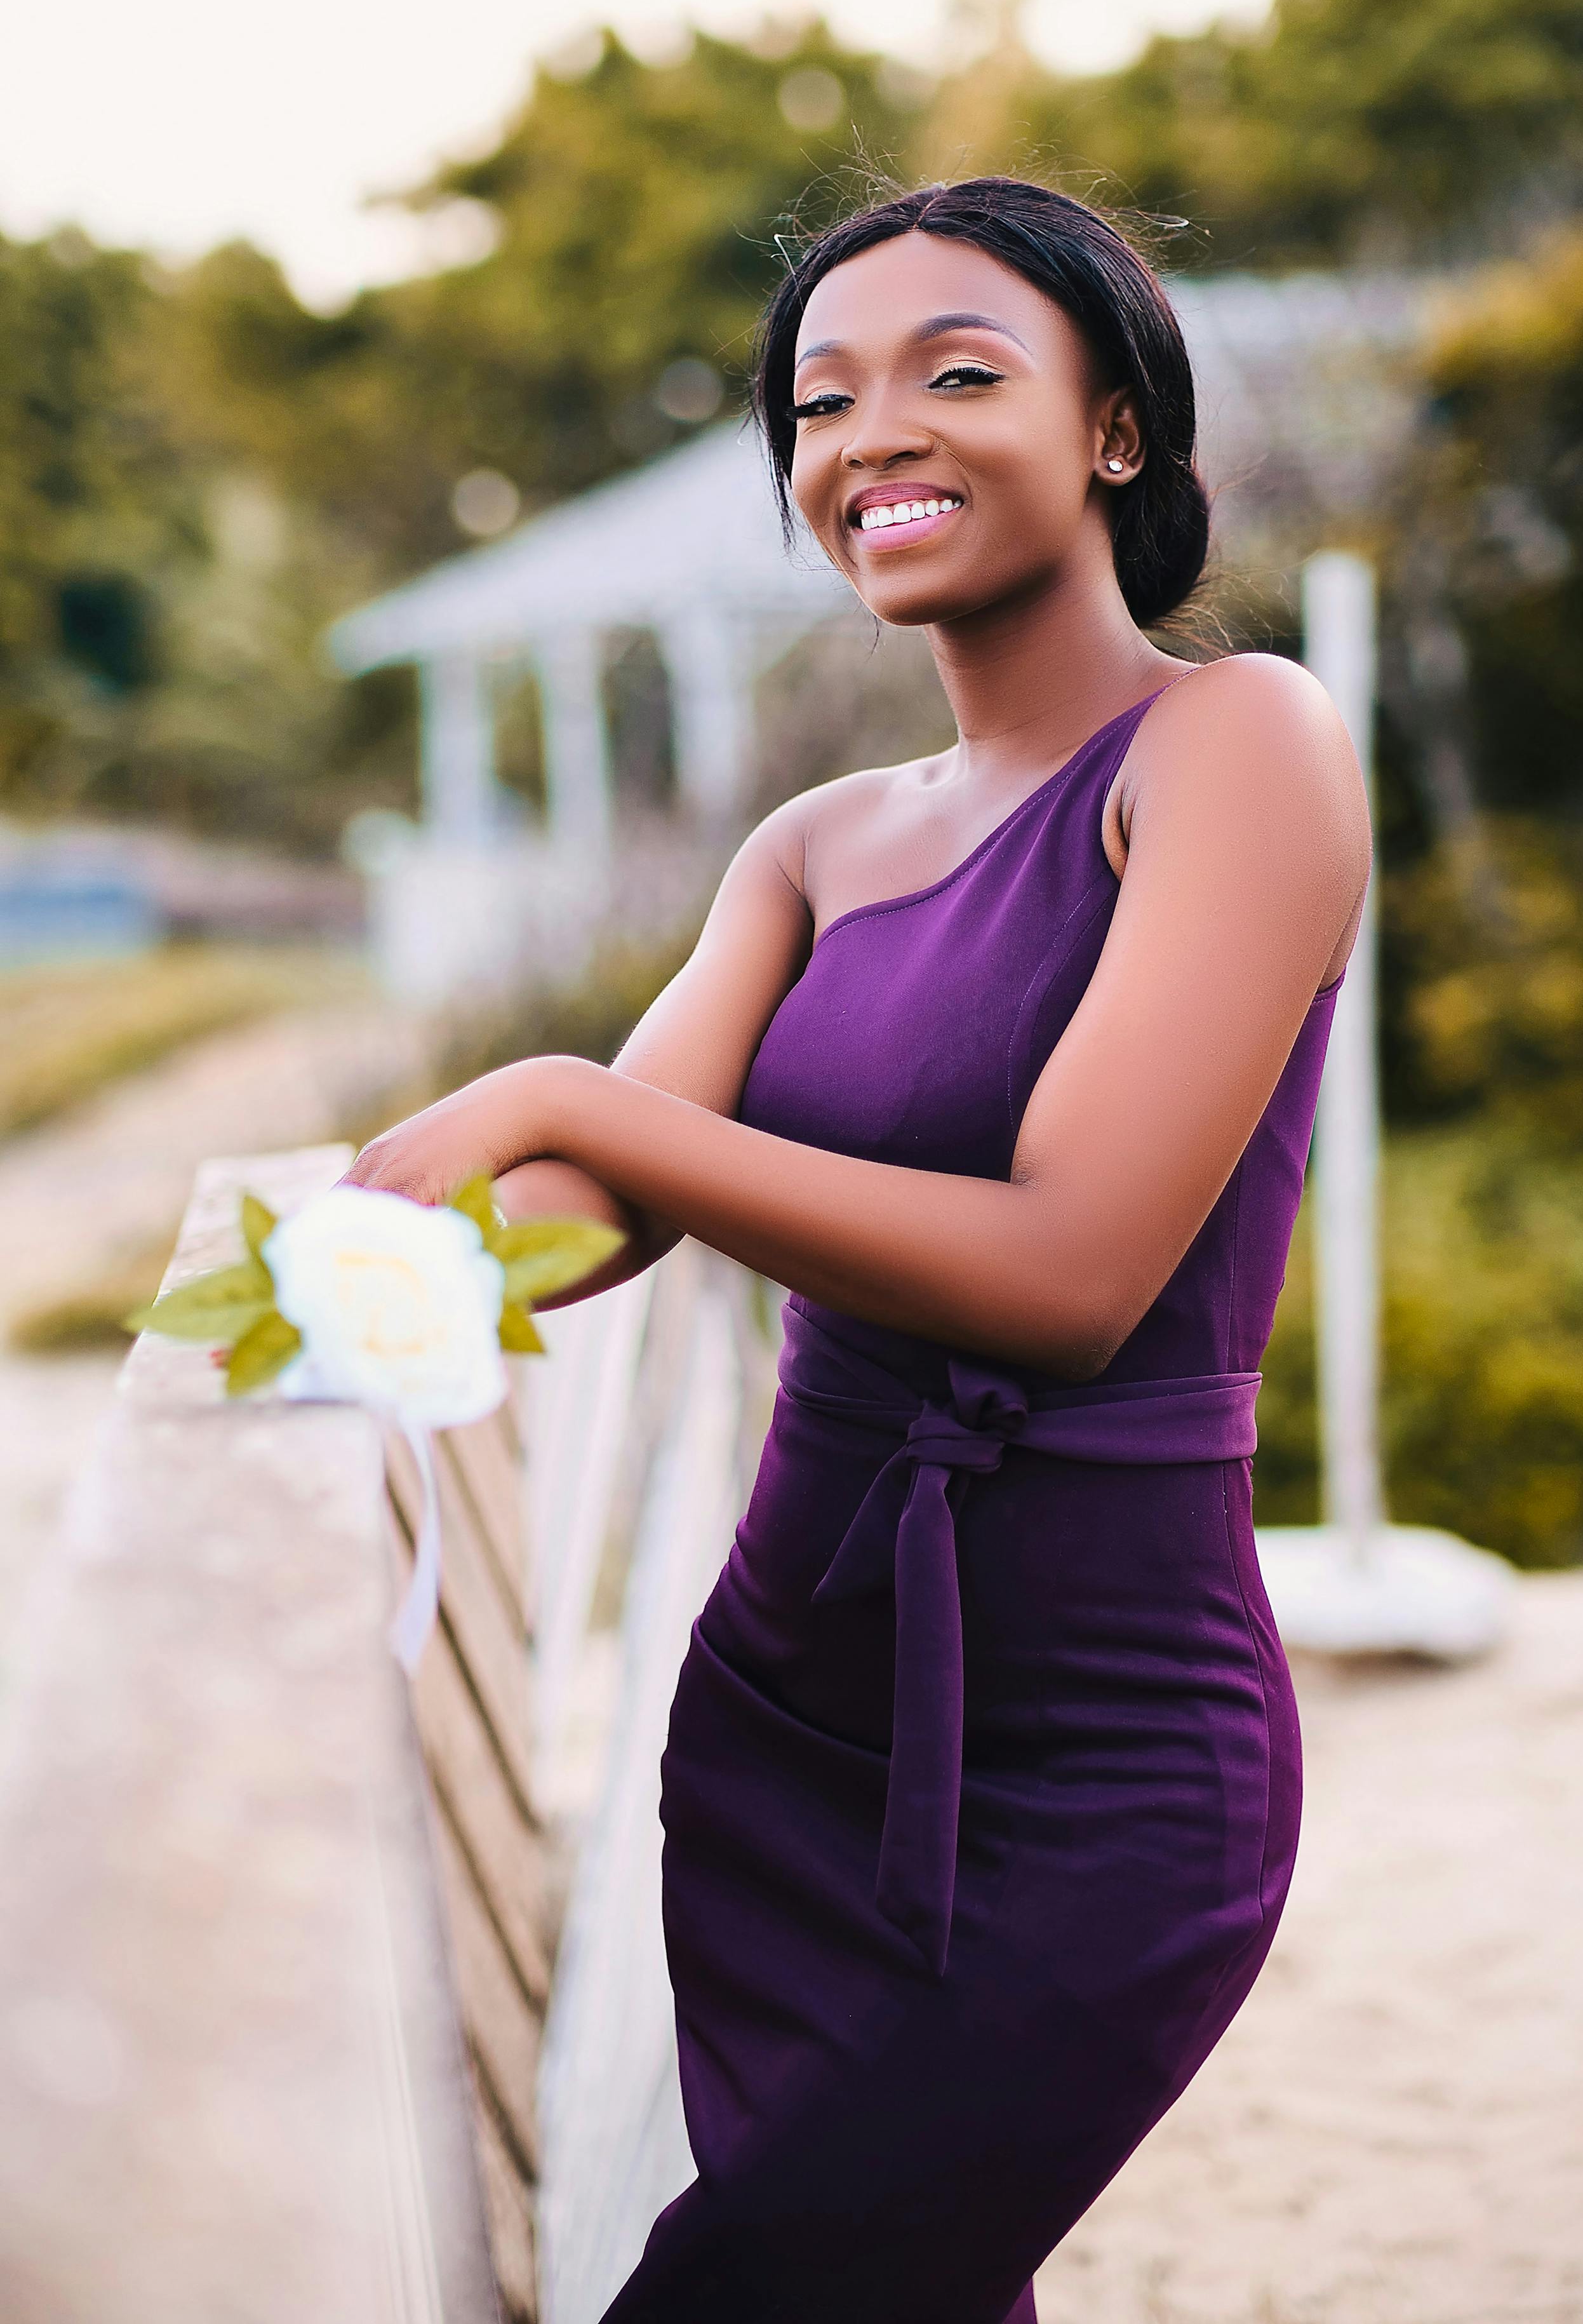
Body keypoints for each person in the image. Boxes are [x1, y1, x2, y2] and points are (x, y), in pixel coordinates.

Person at [347, 177, 1371, 2322]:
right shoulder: (815, 844)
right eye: (821, 403)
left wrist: (564, 1094)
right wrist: (346, 1293)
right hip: (782, 1740)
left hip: (1102, 1768)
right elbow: (610, 1211)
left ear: (1114, 430)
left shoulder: (1236, 744)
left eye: (957, 374)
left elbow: (1071, 1270)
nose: (872, 435)